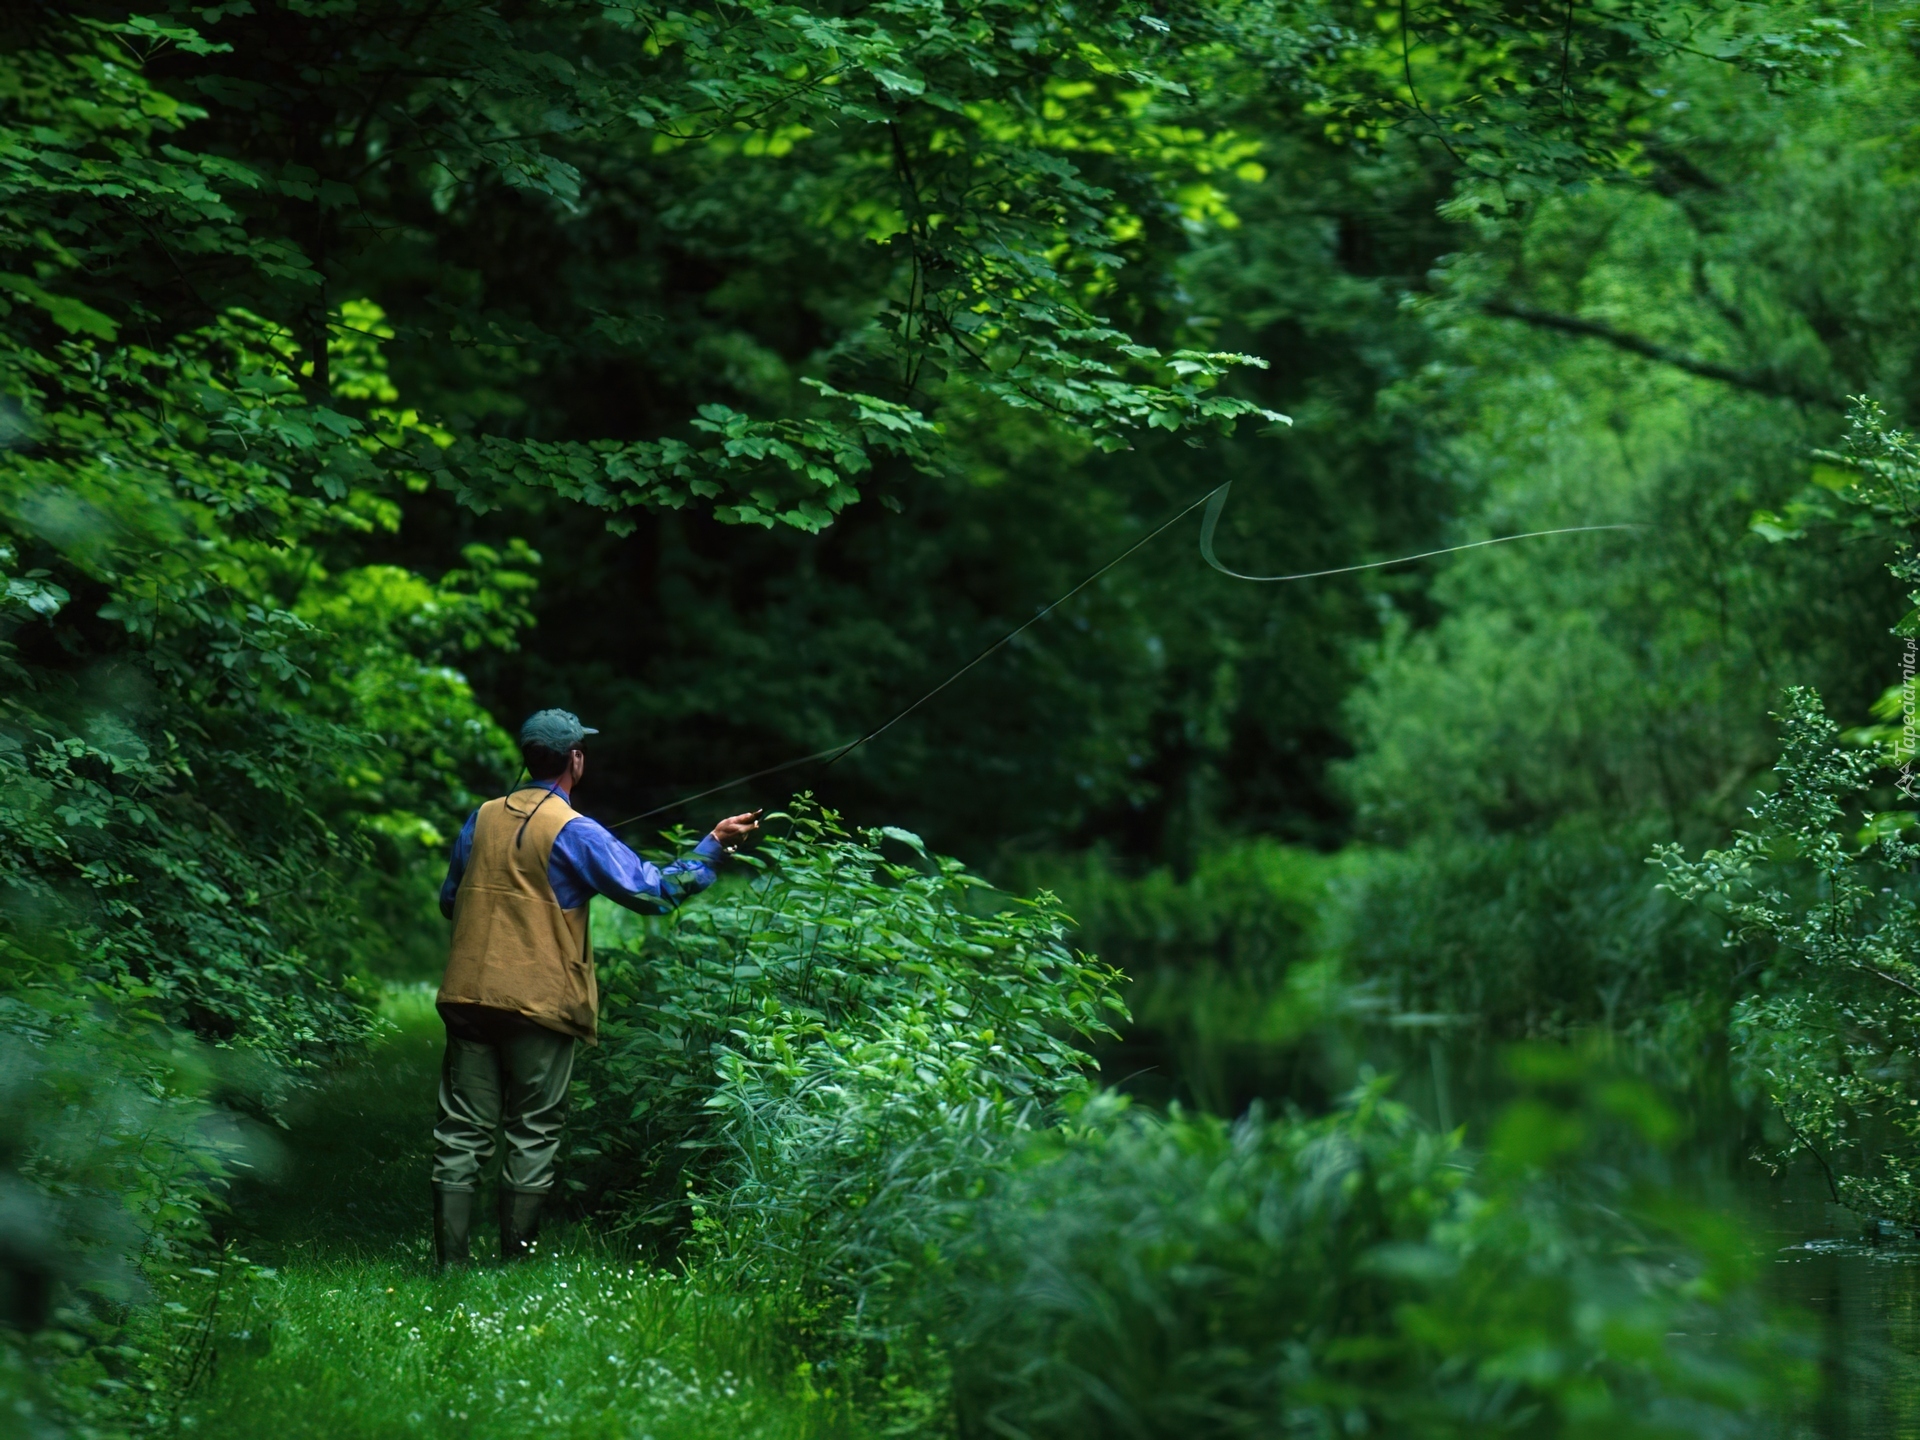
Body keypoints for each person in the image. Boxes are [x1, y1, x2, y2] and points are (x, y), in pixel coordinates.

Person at [430, 708, 759, 1268]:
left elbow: (449, 901)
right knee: (533, 1131)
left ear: (528, 757)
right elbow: (654, 893)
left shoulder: (479, 819)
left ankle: (449, 1265)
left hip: (467, 997)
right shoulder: (576, 830)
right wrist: (713, 845)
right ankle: (515, 1264)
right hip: (538, 1003)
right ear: (575, 760)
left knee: (462, 1129)